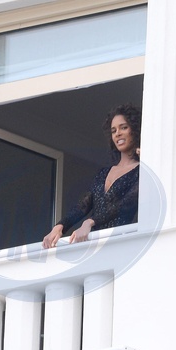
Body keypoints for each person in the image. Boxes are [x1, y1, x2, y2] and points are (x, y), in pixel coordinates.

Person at [42, 104, 141, 249]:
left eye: (123, 128)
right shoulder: (103, 172)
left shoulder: (141, 171)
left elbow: (125, 204)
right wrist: (60, 226)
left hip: (119, 243)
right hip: (93, 245)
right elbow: (84, 204)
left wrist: (90, 222)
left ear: (135, 130)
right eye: (113, 131)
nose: (118, 134)